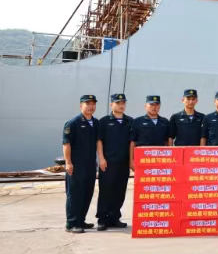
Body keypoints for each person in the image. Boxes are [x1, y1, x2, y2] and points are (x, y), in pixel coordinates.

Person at [95, 93, 132, 231]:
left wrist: (131, 161)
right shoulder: (104, 121)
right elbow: (99, 141)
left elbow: (132, 143)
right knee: (106, 190)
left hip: (123, 163)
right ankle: (102, 219)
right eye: (118, 103)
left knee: (120, 191)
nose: (121, 105)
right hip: (108, 163)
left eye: (123, 103)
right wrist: (101, 158)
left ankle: (114, 217)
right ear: (111, 104)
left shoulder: (130, 121)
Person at [62, 95, 99, 233]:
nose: (91, 106)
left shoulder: (96, 123)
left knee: (87, 193)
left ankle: (81, 220)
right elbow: (66, 144)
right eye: (87, 104)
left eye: (93, 104)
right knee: (75, 194)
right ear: (80, 106)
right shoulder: (72, 123)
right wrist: (68, 162)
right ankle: (71, 223)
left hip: (90, 164)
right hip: (76, 165)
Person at [130, 96, 171, 162]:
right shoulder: (138, 121)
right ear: (145, 106)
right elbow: (132, 142)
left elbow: (167, 142)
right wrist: (131, 160)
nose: (154, 107)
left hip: (160, 158)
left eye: (157, 104)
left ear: (159, 106)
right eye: (151, 104)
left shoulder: (165, 122)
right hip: (143, 158)